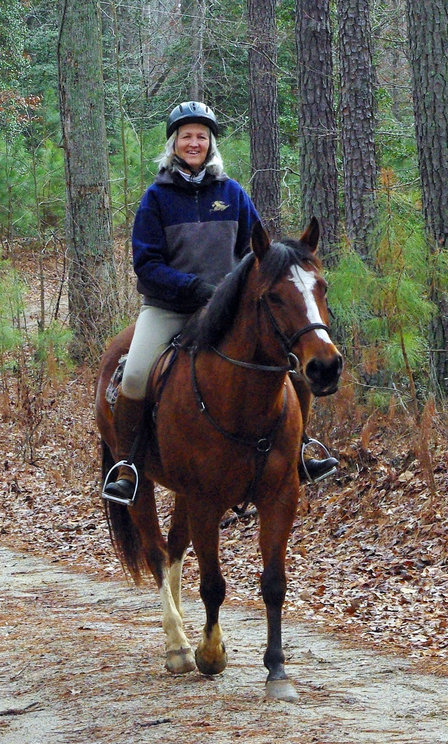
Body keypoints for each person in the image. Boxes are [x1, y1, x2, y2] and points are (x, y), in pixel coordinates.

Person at [102, 101, 338, 504]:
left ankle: (300, 450)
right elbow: (147, 264)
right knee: (137, 375)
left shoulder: (232, 193)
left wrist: (241, 290)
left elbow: (260, 255)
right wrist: (194, 288)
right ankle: (128, 465)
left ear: (211, 144)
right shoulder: (155, 199)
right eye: (186, 136)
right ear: (173, 144)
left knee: (293, 365)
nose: (194, 143)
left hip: (228, 309)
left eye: (201, 136)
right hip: (169, 307)